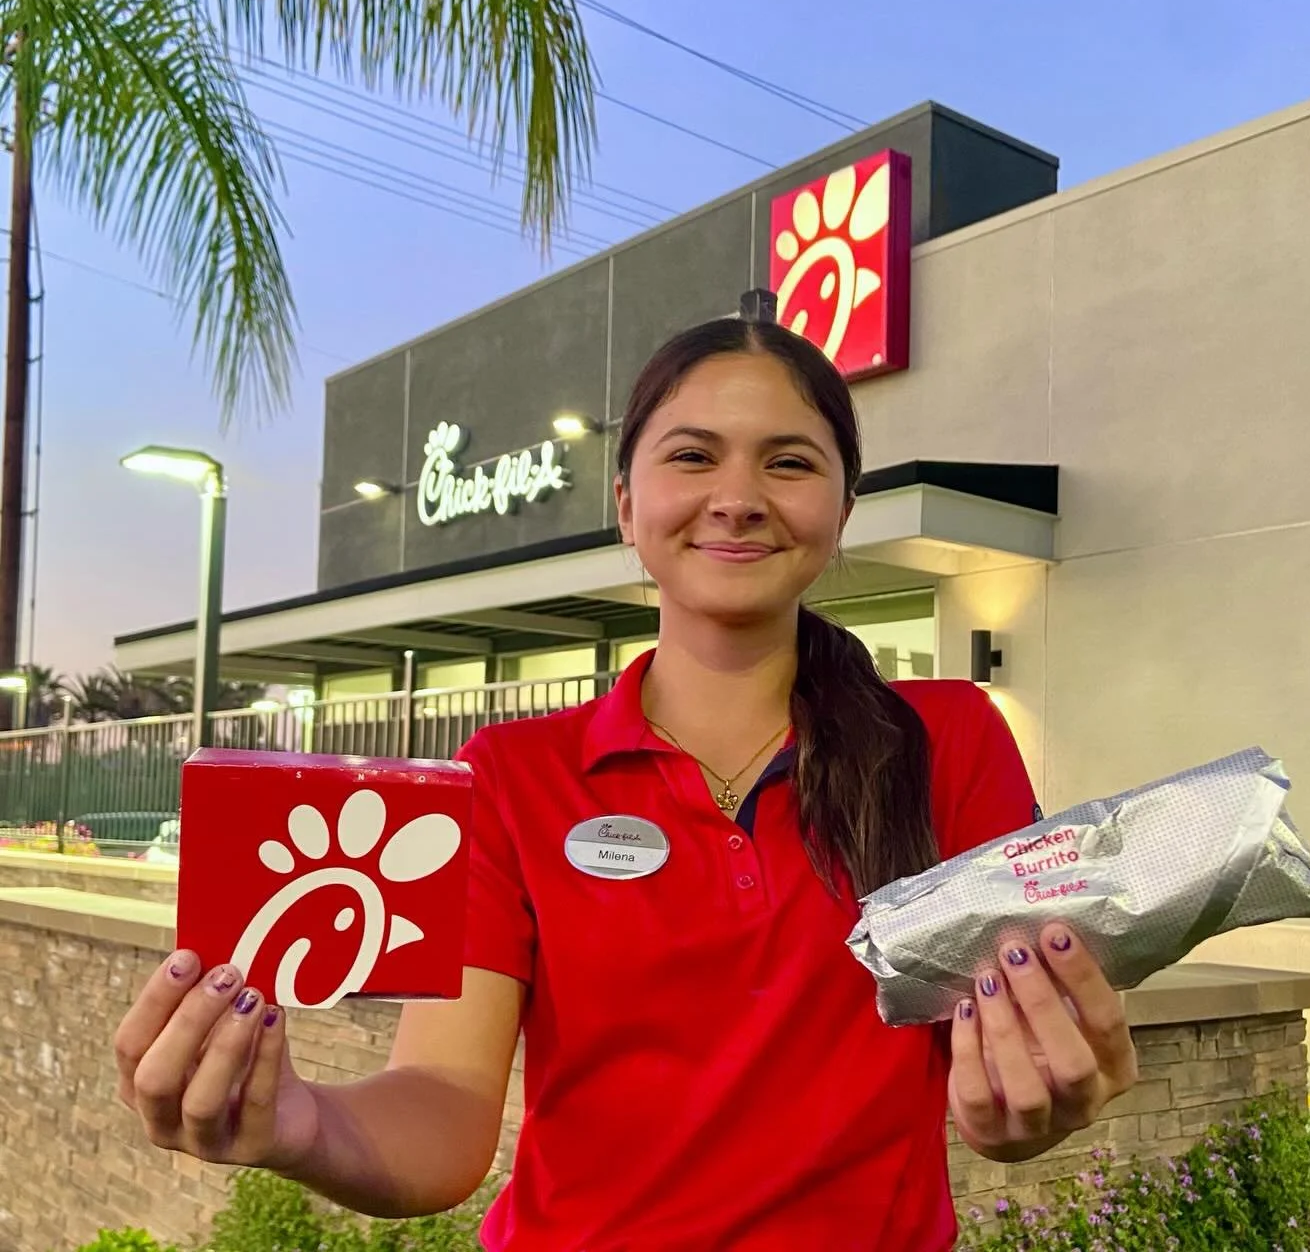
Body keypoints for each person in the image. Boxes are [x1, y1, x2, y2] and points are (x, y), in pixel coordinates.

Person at [113, 317, 1138, 1251]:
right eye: (692, 456)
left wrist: (1037, 1092)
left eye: (789, 462)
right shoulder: (510, 777)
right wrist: (300, 1122)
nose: (736, 497)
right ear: (626, 503)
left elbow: (1000, 1086)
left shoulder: (947, 740)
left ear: (842, 507)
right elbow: (443, 1117)